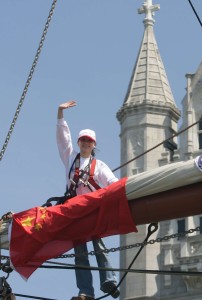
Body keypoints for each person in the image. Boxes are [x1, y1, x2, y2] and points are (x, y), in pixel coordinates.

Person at [57, 101, 120, 300]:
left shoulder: (99, 165)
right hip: (75, 210)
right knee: (80, 252)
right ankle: (85, 291)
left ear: (94, 144)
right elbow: (62, 139)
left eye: (89, 141)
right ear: (79, 143)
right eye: (82, 140)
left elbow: (112, 183)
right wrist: (60, 114)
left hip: (92, 210)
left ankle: (108, 280)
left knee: (99, 246)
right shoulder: (71, 158)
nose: (85, 143)